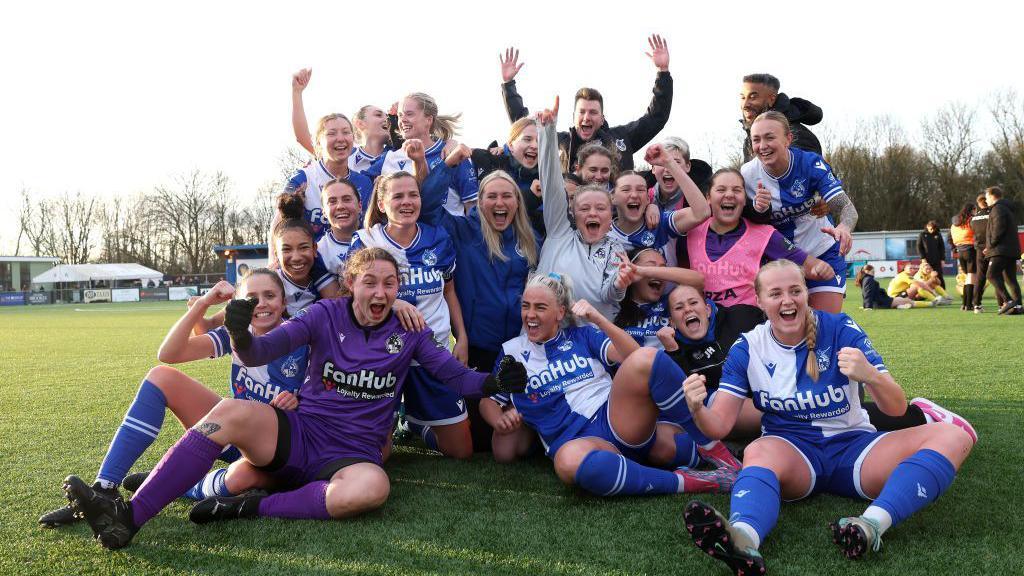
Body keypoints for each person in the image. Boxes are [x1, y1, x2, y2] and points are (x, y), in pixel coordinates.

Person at [62, 248, 528, 549]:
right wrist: (241, 334)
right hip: (300, 432)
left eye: (390, 283)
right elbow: (263, 349)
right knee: (229, 411)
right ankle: (128, 517)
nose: (381, 291)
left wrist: (492, 382)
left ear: (398, 290)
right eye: (371, 281)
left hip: (353, 454)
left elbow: (456, 376)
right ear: (352, 283)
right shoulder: (325, 314)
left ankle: (251, 505)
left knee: (373, 489)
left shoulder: (408, 332)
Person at [682, 260, 975, 573]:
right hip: (792, 454)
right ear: (759, 301)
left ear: (806, 294)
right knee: (758, 450)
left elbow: (896, 409)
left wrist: (871, 377)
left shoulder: (840, 328)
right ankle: (742, 538)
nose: (787, 300)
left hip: (854, 449)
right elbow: (720, 425)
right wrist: (697, 408)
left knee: (953, 436)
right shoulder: (748, 347)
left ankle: (871, 525)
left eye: (795, 290)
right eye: (775, 293)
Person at [41, 272, 307, 527]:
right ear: (238, 304)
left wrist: (297, 401)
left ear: (283, 302)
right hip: (235, 434)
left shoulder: (301, 337)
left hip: (273, 448)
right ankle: (105, 488)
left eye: (270, 295)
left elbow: (323, 403)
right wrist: (202, 304)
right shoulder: (237, 334)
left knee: (242, 477)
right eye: (252, 297)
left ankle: (180, 484)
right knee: (162, 377)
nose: (261, 304)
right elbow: (169, 353)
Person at [479, 273, 741, 494]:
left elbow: (632, 355)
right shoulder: (511, 352)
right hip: (577, 442)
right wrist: (497, 421)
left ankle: (715, 450)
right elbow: (489, 401)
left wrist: (598, 319)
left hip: (617, 420)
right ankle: (693, 481)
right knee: (569, 462)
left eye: (540, 307)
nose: (530, 314)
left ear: (560, 312)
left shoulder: (581, 335)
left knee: (647, 359)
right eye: (526, 306)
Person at [419, 152, 540, 450]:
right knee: (479, 439)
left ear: (517, 202)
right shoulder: (463, 231)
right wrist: (448, 165)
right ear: (480, 201)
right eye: (492, 196)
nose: (500, 203)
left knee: (517, 428)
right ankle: (419, 425)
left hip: (516, 348)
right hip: (476, 348)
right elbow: (428, 207)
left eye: (507, 197)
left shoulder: (530, 239)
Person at [350, 169, 474, 458]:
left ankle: (419, 425)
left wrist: (462, 338)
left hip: (433, 350)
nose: (407, 202)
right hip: (382, 357)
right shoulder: (365, 241)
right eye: (398, 196)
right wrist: (393, 303)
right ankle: (392, 420)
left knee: (461, 452)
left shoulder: (437, 238)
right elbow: (351, 296)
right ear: (382, 204)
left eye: (413, 195)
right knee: (377, 456)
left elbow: (449, 291)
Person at [499, 36, 672, 173]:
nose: (587, 117)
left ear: (602, 117)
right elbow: (523, 126)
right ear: (574, 117)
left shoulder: (622, 137)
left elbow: (656, 118)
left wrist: (663, 73)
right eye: (581, 112)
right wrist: (508, 86)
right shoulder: (559, 142)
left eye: (593, 112)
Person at [742, 111, 857, 313]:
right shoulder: (746, 175)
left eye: (770, 137)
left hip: (823, 253)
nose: (762, 146)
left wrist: (844, 227)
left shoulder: (811, 164)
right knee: (785, 333)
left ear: (788, 139)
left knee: (824, 326)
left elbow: (846, 207)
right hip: (779, 262)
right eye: (756, 140)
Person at [534, 97, 631, 321]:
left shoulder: (616, 249)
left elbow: (610, 295)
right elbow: (550, 182)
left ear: (611, 214)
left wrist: (619, 283)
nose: (593, 213)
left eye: (600, 208)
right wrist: (548, 130)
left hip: (593, 344)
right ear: (573, 212)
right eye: (585, 208)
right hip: (544, 336)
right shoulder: (559, 233)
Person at [684, 168, 834, 307]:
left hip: (744, 324)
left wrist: (820, 269)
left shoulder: (764, 235)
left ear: (744, 199)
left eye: (737, 190)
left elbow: (810, 266)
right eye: (721, 189)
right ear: (708, 197)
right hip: (702, 323)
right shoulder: (691, 230)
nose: (729, 194)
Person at [366, 93, 478, 216]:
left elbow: (472, 206)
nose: (402, 120)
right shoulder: (389, 158)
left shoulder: (452, 153)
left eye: (409, 114)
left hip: (448, 233)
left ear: (428, 120)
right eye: (400, 115)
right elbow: (356, 182)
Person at [276, 113, 374, 253]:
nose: (340, 138)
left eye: (346, 132)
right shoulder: (304, 178)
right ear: (318, 142)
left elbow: (370, 228)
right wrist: (274, 258)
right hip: (312, 264)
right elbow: (280, 220)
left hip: (355, 261)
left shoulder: (364, 183)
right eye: (331, 133)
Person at [290, 68, 398, 174]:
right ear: (360, 123)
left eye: (387, 116)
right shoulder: (342, 153)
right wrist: (297, 92)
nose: (386, 119)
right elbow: (303, 138)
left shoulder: (397, 155)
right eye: (378, 115)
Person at [613, 248, 703, 348]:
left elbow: (699, 281)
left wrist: (642, 271)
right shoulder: (613, 304)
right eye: (651, 266)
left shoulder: (672, 303)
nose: (657, 273)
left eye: (662, 269)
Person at [739, 73, 823, 161]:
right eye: (743, 97)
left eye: (753, 97)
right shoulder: (749, 142)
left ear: (772, 99)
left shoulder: (796, 135)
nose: (745, 105)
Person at [983, 186, 1022, 315]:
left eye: (987, 197)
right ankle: (1018, 306)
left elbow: (998, 229)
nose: (985, 200)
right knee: (1010, 279)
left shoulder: (997, 209)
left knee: (991, 274)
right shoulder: (1007, 208)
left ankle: (1009, 301)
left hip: (1000, 250)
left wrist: (990, 246)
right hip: (1010, 249)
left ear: (992, 196)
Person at [316, 177, 363, 275]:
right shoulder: (319, 251)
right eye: (332, 201)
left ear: (360, 206)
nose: (340, 206)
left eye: (346, 199)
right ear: (324, 211)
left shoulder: (376, 238)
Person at [856, 264, 930, 310]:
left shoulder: (866, 279)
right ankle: (931, 304)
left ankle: (899, 306)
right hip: (883, 302)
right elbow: (868, 293)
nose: (874, 272)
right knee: (909, 301)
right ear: (866, 271)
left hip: (882, 301)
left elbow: (866, 294)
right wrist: (868, 307)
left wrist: (865, 305)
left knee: (902, 300)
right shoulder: (869, 279)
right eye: (873, 271)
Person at [949, 203, 977, 310]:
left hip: (960, 251)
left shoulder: (954, 223)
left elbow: (950, 237)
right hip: (970, 249)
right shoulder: (971, 220)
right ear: (973, 210)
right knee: (971, 277)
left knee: (967, 278)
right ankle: (969, 305)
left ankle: (964, 304)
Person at [970, 193, 994, 312]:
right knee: (998, 275)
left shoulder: (974, 218)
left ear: (978, 204)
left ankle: (977, 305)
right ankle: (1004, 303)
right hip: (993, 248)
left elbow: (974, 233)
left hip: (979, 250)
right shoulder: (993, 214)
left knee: (980, 277)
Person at [917, 220, 947, 289]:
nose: (932, 230)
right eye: (931, 229)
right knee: (926, 277)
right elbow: (919, 247)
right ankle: (928, 293)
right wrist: (923, 258)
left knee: (939, 276)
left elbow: (942, 248)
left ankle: (944, 293)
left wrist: (942, 259)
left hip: (937, 260)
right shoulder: (922, 234)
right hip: (926, 261)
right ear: (927, 227)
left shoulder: (938, 235)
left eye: (934, 229)